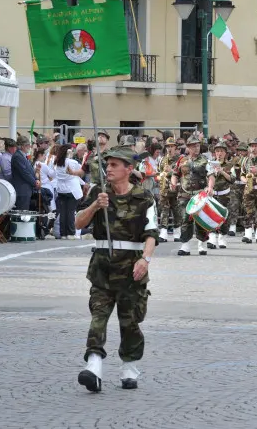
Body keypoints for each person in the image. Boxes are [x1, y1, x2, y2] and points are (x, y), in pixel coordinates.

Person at [75, 146, 159, 393]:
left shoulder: (144, 198)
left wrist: (145, 260)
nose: (108, 169)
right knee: (98, 317)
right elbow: (78, 223)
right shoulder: (98, 192)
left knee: (130, 320)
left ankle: (130, 367)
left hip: (132, 267)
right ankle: (94, 367)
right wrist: (94, 207)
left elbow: (152, 234)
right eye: (107, 165)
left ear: (128, 169)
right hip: (102, 267)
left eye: (114, 165)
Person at [170, 135, 213, 256]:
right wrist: (173, 183)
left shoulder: (205, 160)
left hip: (200, 194)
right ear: (188, 147)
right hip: (185, 193)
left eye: (198, 145)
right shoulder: (181, 160)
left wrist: (210, 187)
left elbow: (211, 175)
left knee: (200, 219)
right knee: (185, 218)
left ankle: (201, 243)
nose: (196, 148)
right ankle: (185, 245)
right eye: (193, 146)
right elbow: (175, 174)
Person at [55, 144, 85, 239]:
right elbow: (81, 171)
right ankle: (71, 233)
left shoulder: (57, 162)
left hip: (61, 189)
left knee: (63, 212)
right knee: (71, 212)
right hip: (72, 190)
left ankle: (63, 233)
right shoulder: (73, 162)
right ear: (68, 152)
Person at [157, 137, 182, 243]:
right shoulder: (162, 159)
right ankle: (163, 234)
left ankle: (177, 233)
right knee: (164, 211)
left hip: (176, 189)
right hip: (164, 189)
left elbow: (182, 174)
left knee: (177, 211)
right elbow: (159, 172)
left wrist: (171, 171)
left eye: (171, 146)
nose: (169, 148)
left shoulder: (180, 160)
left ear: (176, 148)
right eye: (168, 146)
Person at [11, 135, 38, 211]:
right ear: (22, 146)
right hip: (22, 190)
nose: (29, 147)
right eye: (28, 145)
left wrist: (36, 179)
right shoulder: (17, 156)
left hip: (26, 189)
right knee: (22, 214)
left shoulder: (23, 155)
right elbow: (25, 173)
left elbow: (30, 170)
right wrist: (35, 183)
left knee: (25, 213)